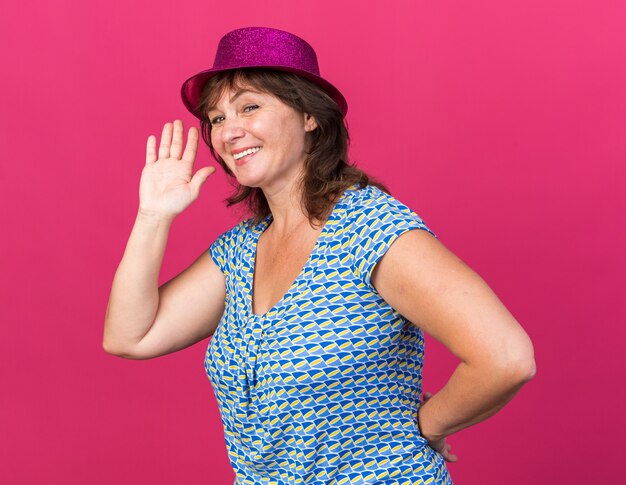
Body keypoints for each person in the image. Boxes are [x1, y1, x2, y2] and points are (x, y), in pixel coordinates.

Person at [103, 27, 536, 485]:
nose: (229, 131)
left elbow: (505, 357)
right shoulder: (241, 250)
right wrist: (153, 216)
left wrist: (423, 428)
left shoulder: (368, 228)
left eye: (249, 106)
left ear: (309, 114)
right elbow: (130, 336)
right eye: (215, 118)